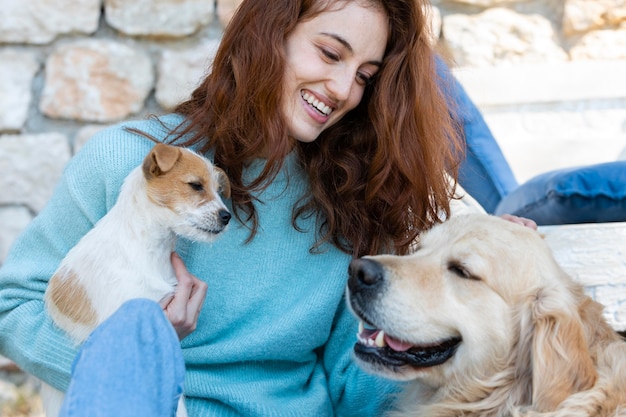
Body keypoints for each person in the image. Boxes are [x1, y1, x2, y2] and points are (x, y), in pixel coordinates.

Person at [0, 0, 533, 415]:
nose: (344, 88)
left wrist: (481, 287)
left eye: (366, 75)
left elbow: (358, 393)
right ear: (270, 35)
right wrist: (133, 362)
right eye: (329, 53)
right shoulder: (128, 162)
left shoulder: (356, 204)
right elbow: (12, 305)